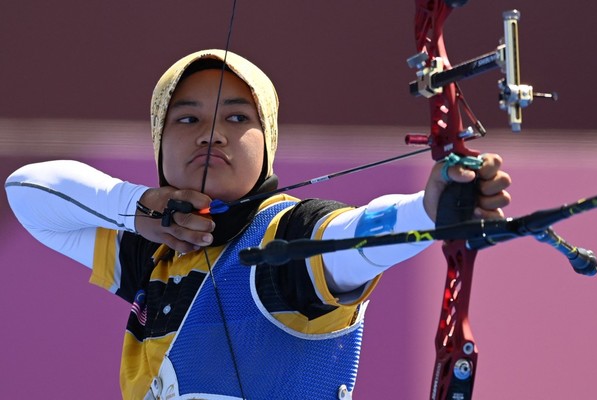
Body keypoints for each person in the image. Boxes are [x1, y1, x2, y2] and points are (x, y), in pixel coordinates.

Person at [5, 49, 511, 399]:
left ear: (267, 141)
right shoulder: (151, 250)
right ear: (160, 144)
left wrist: (427, 210)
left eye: (236, 118)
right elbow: (26, 190)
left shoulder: (285, 239)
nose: (212, 135)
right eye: (187, 119)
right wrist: (135, 205)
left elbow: (350, 239)